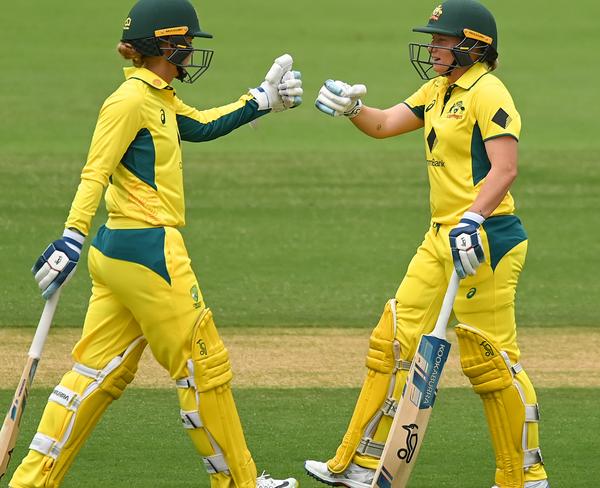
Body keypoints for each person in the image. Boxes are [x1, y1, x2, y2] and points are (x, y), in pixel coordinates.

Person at [10, 1, 303, 487]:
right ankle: (241, 482)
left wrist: (261, 99)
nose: (191, 52)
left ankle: (30, 481)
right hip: (149, 253)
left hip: (119, 254)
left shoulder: (157, 96)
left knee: (95, 375)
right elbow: (95, 170)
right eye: (186, 43)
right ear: (166, 45)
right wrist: (71, 234)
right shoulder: (128, 102)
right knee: (203, 367)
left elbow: (201, 126)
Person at [304, 1, 549, 487]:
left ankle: (524, 476)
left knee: (490, 360)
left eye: (442, 40)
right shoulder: (438, 89)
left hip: (487, 238)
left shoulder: (488, 91)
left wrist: (473, 219)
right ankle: (360, 463)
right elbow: (383, 124)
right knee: (390, 341)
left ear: (472, 46)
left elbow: (505, 169)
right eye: (433, 39)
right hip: (441, 237)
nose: (433, 47)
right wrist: (353, 109)